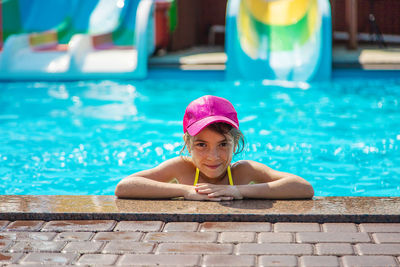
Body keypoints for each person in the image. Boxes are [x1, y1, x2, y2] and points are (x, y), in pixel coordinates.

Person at [115, 95, 314, 201]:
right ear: (188, 144)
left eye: (223, 144)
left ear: (235, 143)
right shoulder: (181, 168)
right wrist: (185, 191)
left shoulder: (244, 172)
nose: (213, 156)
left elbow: (303, 188)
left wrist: (238, 190)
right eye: (202, 145)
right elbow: (124, 186)